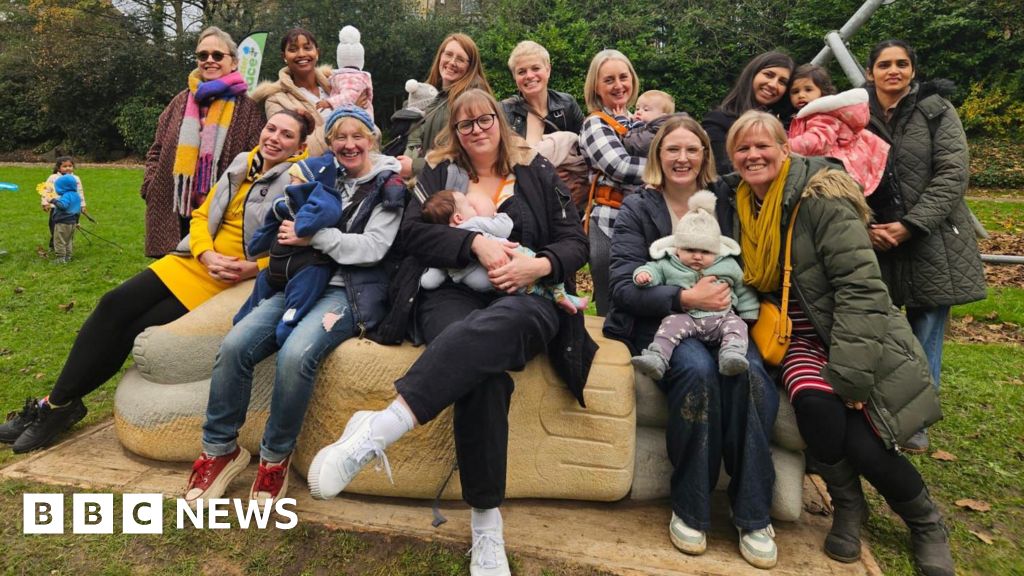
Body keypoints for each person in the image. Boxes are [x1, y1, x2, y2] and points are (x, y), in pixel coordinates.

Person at [306, 89, 593, 576]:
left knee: (498, 331)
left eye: (485, 120)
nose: (477, 129)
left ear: (500, 123)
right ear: (455, 133)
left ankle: (379, 429)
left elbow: (575, 242)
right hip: (450, 293)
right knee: (481, 374)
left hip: (528, 296)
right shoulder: (439, 173)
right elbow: (412, 235)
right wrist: (475, 242)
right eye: (465, 125)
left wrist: (539, 265)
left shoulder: (535, 171)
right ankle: (486, 523)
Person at [724, 110, 954, 575]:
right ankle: (850, 503)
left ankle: (924, 520)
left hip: (849, 330)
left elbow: (860, 288)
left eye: (762, 145)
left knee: (865, 440)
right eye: (742, 148)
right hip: (794, 337)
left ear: (785, 148)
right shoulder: (743, 204)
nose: (753, 156)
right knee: (816, 408)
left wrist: (850, 371)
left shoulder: (820, 197)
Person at [0, 110, 312, 453]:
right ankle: (57, 405)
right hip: (195, 261)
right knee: (112, 305)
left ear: (301, 145)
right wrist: (205, 252)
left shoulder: (300, 180)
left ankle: (54, 408)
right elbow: (202, 215)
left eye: (286, 135)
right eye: (271, 129)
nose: (274, 138)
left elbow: (302, 243)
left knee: (135, 328)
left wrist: (254, 268)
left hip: (231, 277)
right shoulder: (243, 162)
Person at [184, 106, 405, 506]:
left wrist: (315, 236)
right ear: (330, 142)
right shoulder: (322, 175)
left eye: (358, 136)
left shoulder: (389, 186)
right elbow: (284, 216)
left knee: (295, 354)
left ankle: (274, 457)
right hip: (299, 282)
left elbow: (374, 248)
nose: (349, 144)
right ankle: (220, 450)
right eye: (340, 137)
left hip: (347, 291)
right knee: (235, 346)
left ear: (372, 139)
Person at [603, 114, 778, 569]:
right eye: (672, 149)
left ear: (705, 156)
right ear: (658, 156)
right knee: (699, 372)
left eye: (692, 150)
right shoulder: (639, 208)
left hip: (727, 321)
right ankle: (691, 507)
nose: (682, 158)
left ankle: (753, 512)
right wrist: (682, 295)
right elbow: (622, 285)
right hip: (664, 323)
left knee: (752, 376)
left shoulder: (728, 203)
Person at [863, 39, 985, 453]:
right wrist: (866, 223)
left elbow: (952, 173)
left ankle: (915, 420)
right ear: (870, 72)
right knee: (876, 326)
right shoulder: (854, 114)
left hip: (929, 238)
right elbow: (841, 169)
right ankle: (876, 407)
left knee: (926, 329)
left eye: (901, 64)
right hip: (874, 236)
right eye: (884, 64)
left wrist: (912, 224)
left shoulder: (937, 111)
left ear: (913, 70)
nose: (893, 71)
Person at [142, 26, 265, 258]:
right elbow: (156, 150)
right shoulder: (179, 102)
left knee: (208, 282)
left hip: (220, 214)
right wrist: (150, 185)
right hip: (175, 210)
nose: (209, 60)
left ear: (234, 62)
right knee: (170, 282)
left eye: (217, 55)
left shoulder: (248, 108)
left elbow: (257, 159)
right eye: (202, 55)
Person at [630, 190, 758, 380]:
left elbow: (743, 289)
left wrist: (749, 313)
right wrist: (644, 275)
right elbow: (653, 270)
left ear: (716, 250)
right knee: (668, 327)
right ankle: (657, 358)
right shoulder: (669, 263)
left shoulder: (727, 265)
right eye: (690, 250)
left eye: (705, 251)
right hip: (686, 319)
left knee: (737, 326)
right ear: (677, 248)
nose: (697, 256)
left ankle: (731, 355)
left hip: (721, 318)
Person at [419, 189, 589, 314]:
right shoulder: (476, 223)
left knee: (530, 289)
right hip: (514, 261)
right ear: (458, 218)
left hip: (487, 286)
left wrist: (421, 276)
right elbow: (505, 227)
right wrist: (494, 212)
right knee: (540, 276)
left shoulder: (445, 246)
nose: (474, 209)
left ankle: (560, 297)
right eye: (470, 206)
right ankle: (561, 295)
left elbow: (430, 281)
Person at [579, 49, 646, 316]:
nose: (619, 86)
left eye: (623, 77)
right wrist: (669, 170)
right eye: (609, 80)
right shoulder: (595, 124)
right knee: (613, 308)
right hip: (609, 223)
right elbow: (618, 167)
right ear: (596, 86)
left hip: (645, 222)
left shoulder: (641, 121)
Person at [787, 64, 890, 196]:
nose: (801, 95)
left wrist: (787, 145)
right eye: (795, 91)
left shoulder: (822, 115)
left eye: (808, 89)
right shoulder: (805, 117)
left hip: (837, 170)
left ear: (822, 92)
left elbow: (818, 141)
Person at [399, 33, 492, 178]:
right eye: (448, 54)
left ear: (470, 67)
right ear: (440, 56)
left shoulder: (471, 101)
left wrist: (415, 166)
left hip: (449, 189)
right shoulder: (433, 94)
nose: (452, 62)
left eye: (460, 59)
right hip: (427, 182)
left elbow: (466, 155)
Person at [702, 51, 794, 176]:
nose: (773, 84)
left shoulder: (790, 125)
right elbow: (723, 170)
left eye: (782, 82)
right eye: (768, 75)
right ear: (752, 74)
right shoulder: (717, 121)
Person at [252, 28, 333, 157]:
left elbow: (370, 132)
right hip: (309, 174)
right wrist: (347, 115)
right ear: (284, 56)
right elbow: (294, 148)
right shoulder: (275, 100)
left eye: (307, 48)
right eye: (293, 49)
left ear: (317, 53)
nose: (301, 54)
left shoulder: (340, 86)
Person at [499, 40, 585, 145]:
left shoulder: (567, 104)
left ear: (548, 70)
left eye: (535, 68)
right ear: (514, 77)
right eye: (521, 72)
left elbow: (585, 145)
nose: (529, 76)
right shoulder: (504, 111)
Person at [316, 26, 374, 121]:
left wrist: (329, 102)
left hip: (358, 121)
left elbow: (350, 95)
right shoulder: (359, 77)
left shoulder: (351, 77)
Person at [40, 156, 86, 252]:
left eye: (70, 166)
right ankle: (54, 245)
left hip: (71, 210)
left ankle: (67, 247)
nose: (68, 168)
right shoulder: (53, 178)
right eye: (65, 166)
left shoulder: (76, 178)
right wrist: (45, 202)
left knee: (69, 228)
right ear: (58, 168)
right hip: (56, 208)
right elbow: (45, 190)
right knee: (54, 228)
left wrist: (82, 205)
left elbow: (79, 192)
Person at [623, 89, 677, 157]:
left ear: (662, 117)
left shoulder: (658, 132)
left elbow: (635, 144)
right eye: (637, 109)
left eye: (646, 109)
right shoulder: (645, 127)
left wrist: (621, 121)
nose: (639, 112)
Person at [46, 174, 82, 264]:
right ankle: (68, 256)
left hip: (63, 222)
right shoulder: (76, 195)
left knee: (59, 240)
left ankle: (61, 258)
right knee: (68, 240)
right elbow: (78, 210)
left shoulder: (66, 196)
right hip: (72, 222)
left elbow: (63, 206)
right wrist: (77, 222)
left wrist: (52, 200)